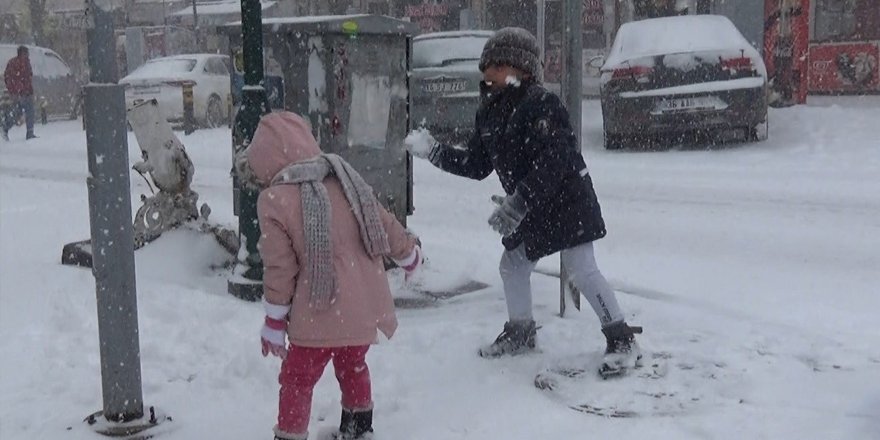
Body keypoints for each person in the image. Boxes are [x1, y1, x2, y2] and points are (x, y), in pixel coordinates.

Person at [407, 27, 642, 377]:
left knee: (581, 268)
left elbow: (555, 159)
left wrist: (518, 201)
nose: (488, 70)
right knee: (512, 265)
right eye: (487, 63)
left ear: (521, 68)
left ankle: (621, 339)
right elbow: (476, 165)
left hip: (566, 201)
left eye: (498, 63)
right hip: (531, 208)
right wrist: (435, 153)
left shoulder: (541, 104)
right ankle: (520, 332)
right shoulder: (487, 112)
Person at [237, 111, 422, 440]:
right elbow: (383, 221)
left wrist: (275, 321)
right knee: (353, 366)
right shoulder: (344, 179)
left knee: (297, 378)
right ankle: (359, 427)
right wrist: (408, 254)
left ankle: (291, 434)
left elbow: (281, 268)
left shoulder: (275, 199)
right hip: (362, 306)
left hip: (318, 310)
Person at [3, 45, 37, 141]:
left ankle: (29, 132)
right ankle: (5, 128)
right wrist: (16, 89)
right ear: (21, 53)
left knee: (28, 112)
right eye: (26, 53)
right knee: (17, 112)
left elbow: (28, 77)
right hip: (18, 93)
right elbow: (10, 78)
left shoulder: (25, 63)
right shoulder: (15, 63)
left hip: (25, 92)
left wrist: (29, 90)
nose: (27, 55)